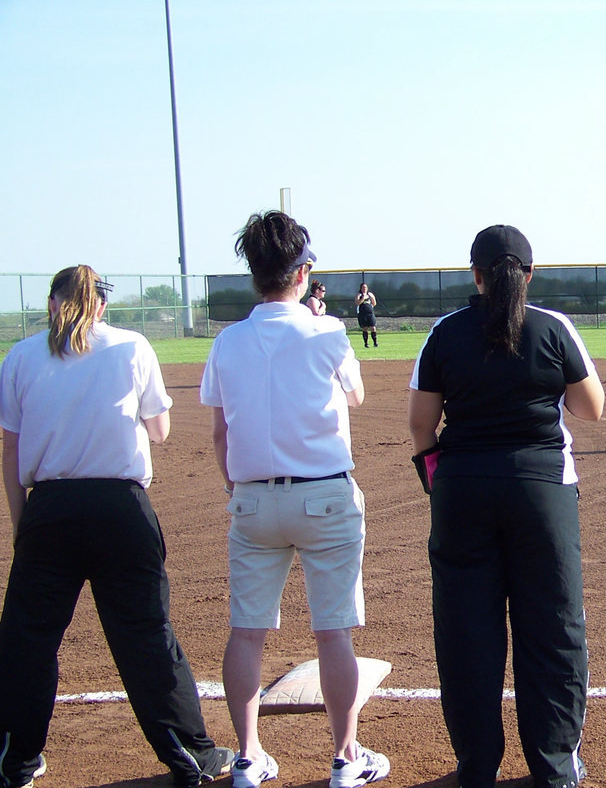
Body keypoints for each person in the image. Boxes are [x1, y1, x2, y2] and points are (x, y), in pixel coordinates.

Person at [0, 266, 234, 788]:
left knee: (27, 641)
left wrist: (23, 526)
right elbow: (162, 430)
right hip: (120, 508)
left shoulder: (21, 355)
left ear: (52, 303)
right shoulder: (132, 346)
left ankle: (14, 762)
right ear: (100, 304)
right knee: (146, 633)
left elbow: (11, 452)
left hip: (49, 509)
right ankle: (190, 756)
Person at [408, 225, 604, 788]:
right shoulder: (552, 327)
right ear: (530, 273)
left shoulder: (445, 333)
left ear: (475, 273)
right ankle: (555, 764)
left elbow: (421, 428)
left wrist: (442, 483)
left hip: (463, 490)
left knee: (467, 630)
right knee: (553, 625)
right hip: (543, 491)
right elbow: (590, 408)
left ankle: (477, 768)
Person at [200, 212, 388, 788]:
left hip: (254, 500)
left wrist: (241, 490)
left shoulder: (227, 342)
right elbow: (355, 396)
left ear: (254, 274)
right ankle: (345, 756)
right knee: (333, 632)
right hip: (325, 496)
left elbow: (220, 434)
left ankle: (248, 757)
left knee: (246, 632)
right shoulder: (327, 332)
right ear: (302, 272)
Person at [355, 283, 377, 348]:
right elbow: (357, 303)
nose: (364, 289)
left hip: (370, 314)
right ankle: (366, 343)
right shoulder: (359, 295)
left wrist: (370, 305)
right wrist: (363, 298)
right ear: (361, 288)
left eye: (365, 287)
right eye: (363, 287)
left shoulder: (370, 294)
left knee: (373, 328)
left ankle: (375, 343)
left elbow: (374, 303)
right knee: (365, 328)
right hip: (362, 314)